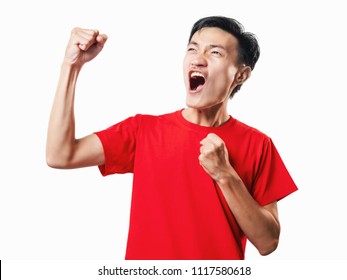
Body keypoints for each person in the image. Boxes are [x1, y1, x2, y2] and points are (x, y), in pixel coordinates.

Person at [46, 16, 298, 260]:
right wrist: (71, 66)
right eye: (192, 49)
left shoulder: (258, 144)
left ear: (240, 75)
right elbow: (60, 155)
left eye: (215, 53)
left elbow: (268, 243)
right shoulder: (143, 130)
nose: (197, 60)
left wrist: (225, 174)